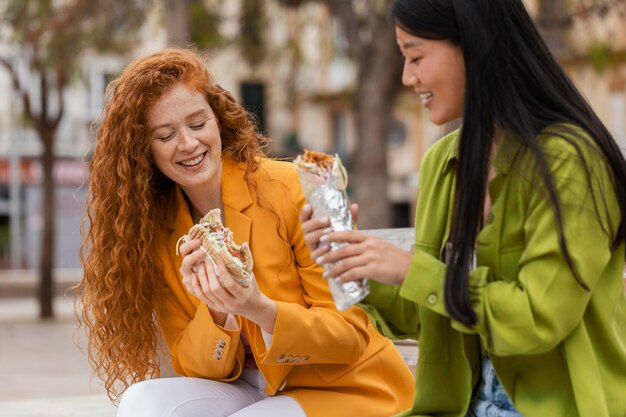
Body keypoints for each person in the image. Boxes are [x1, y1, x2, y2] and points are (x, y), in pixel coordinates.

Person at [301, 1, 626, 416]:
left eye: (416, 55)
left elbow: (536, 320)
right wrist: (350, 261)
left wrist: (406, 268)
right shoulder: (443, 163)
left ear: (475, 47)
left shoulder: (570, 162)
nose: (407, 77)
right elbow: (424, 312)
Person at [77, 48, 414, 417]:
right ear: (145, 151)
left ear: (217, 120)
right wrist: (217, 311)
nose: (188, 144)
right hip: (252, 390)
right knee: (141, 403)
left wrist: (257, 308)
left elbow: (350, 336)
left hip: (348, 387)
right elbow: (195, 368)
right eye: (165, 134)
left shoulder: (308, 185)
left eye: (197, 123)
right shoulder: (156, 231)